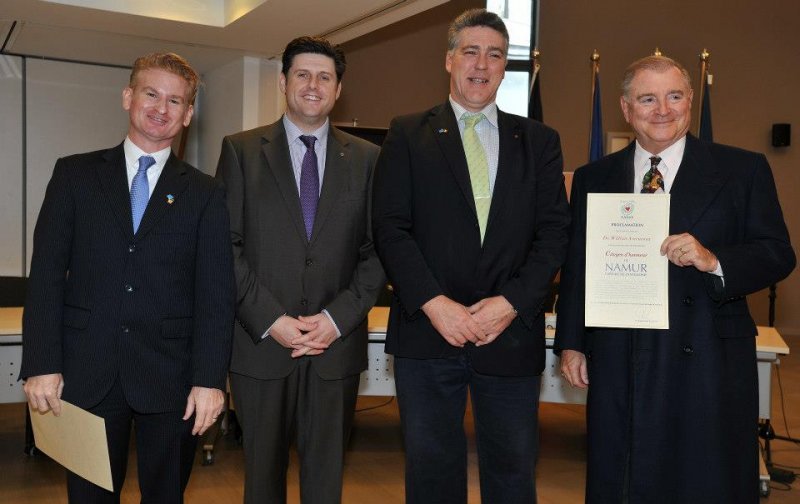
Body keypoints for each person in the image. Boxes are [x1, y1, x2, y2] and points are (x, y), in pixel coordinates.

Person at [555, 55, 796, 503]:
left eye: (674, 96)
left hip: (707, 353)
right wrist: (571, 340)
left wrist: (714, 259)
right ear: (627, 109)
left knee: (703, 480)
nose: (662, 109)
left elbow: (778, 254)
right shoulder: (593, 177)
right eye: (647, 98)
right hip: (619, 352)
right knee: (622, 477)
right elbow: (577, 264)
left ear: (689, 102)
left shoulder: (742, 170)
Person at [372, 9, 570, 504]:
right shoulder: (407, 133)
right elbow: (390, 228)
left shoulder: (540, 142)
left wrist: (510, 304)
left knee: (512, 472)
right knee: (432, 471)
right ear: (449, 60)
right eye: (471, 51)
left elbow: (554, 234)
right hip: (428, 332)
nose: (482, 64)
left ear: (505, 68)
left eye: (495, 54)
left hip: (510, 333)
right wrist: (436, 304)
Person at [21, 52, 235, 502]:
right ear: (127, 97)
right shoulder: (74, 175)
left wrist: (211, 380)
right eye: (151, 93)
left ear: (189, 113)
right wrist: (42, 363)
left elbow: (215, 294)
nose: (162, 107)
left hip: (172, 379)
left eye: (175, 100)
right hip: (86, 371)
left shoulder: (206, 193)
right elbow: (44, 277)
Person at [214, 36, 384, 504]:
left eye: (325, 77)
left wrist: (334, 321)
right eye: (303, 75)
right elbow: (224, 247)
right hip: (262, 347)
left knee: (325, 480)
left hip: (335, 348)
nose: (313, 85)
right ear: (284, 81)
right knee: (262, 481)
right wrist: (273, 320)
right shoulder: (241, 152)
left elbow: (378, 252)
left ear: (338, 88)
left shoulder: (369, 160)